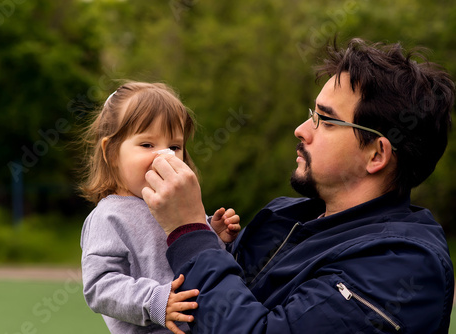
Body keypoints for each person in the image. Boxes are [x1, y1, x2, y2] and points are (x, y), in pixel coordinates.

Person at [142, 38, 455, 333]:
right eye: (312, 114)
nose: (301, 130)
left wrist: (190, 231)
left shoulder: (404, 264)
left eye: (327, 121)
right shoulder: (281, 218)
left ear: (376, 154)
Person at [78, 81, 241, 334]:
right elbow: (100, 287)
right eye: (147, 145)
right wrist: (155, 301)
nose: (164, 156)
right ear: (111, 153)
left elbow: (193, 255)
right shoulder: (108, 216)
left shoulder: (173, 205)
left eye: (174, 147)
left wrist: (214, 235)